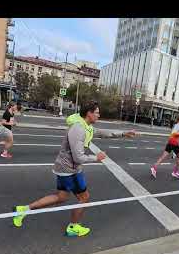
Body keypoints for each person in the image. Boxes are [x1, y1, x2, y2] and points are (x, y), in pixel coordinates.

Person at [12, 101, 136, 237]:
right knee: (84, 197)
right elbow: (78, 157)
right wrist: (97, 158)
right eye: (97, 112)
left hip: (67, 168)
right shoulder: (78, 129)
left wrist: (124, 133)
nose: (99, 115)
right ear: (89, 113)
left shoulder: (85, 126)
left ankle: (23, 210)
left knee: (61, 197)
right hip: (69, 170)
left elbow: (102, 132)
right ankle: (73, 227)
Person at [151, 115, 179, 179]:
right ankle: (175, 172)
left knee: (163, 156)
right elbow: (173, 133)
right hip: (174, 143)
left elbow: (173, 135)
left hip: (171, 142)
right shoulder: (178, 125)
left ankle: (154, 168)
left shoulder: (177, 125)